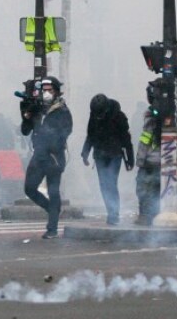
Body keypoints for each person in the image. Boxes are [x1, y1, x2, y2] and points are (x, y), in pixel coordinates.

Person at [21, 76, 73, 239]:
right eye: (44, 90)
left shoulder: (62, 110)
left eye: (50, 90)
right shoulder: (37, 109)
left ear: (56, 91)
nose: (47, 93)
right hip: (38, 155)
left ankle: (52, 228)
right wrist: (27, 115)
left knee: (53, 190)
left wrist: (51, 141)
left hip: (53, 156)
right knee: (29, 188)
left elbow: (66, 131)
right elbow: (25, 130)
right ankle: (52, 209)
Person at [80, 94, 134, 226]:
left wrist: (130, 158)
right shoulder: (94, 114)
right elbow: (90, 135)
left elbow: (126, 139)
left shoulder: (118, 116)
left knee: (110, 183)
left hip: (115, 154)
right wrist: (85, 153)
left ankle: (114, 214)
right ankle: (112, 212)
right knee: (104, 185)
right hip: (100, 155)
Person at [134, 107, 162, 226]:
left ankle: (145, 217)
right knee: (156, 191)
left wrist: (140, 161)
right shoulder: (168, 124)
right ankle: (156, 215)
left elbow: (144, 144)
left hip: (149, 162)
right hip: (162, 163)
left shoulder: (150, 124)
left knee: (143, 191)